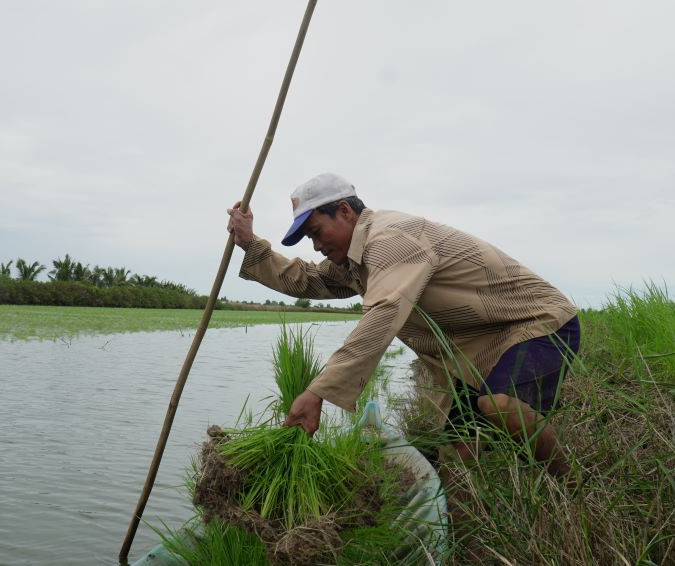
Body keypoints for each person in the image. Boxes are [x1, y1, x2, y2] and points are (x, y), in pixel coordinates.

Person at [226, 172, 580, 477]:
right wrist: (251, 245)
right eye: (310, 239)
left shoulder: (391, 240)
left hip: (536, 324)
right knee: (457, 456)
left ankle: (567, 485)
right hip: (480, 347)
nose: (317, 246)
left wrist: (318, 391)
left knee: (498, 405)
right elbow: (309, 279)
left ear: (345, 211)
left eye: (317, 232)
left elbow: (382, 315)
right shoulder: (354, 259)